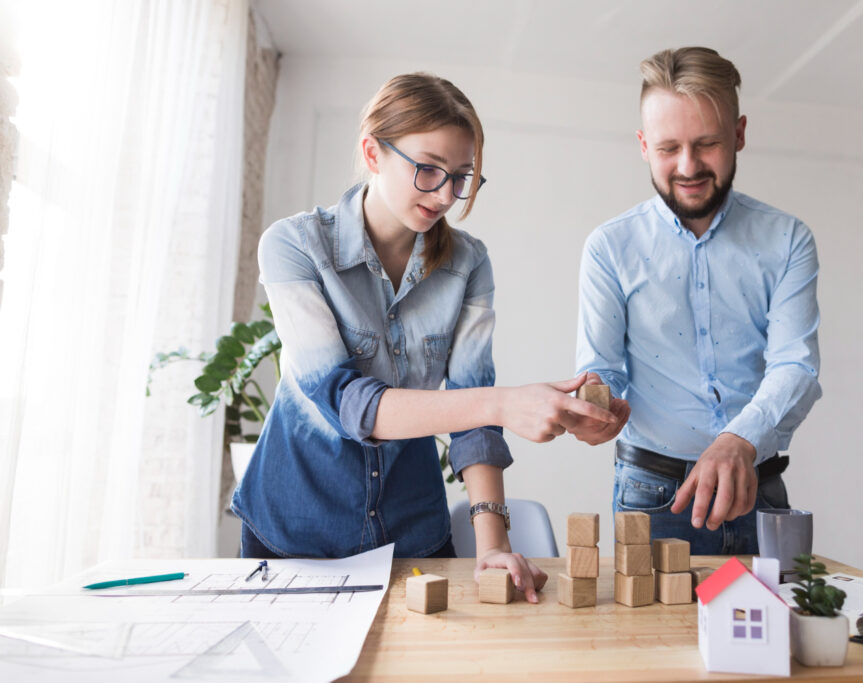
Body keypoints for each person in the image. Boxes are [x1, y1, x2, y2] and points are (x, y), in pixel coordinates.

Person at [232, 73, 619, 602]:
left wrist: (492, 547)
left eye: (461, 177)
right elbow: (346, 402)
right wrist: (504, 404)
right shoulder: (295, 246)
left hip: (411, 530)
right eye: (428, 170)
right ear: (373, 152)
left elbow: (475, 423)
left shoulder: (468, 264)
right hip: (294, 529)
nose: (445, 195)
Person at [573, 47, 822, 554]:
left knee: (770, 631)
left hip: (759, 490)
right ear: (643, 145)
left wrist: (739, 440)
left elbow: (796, 365)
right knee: (650, 635)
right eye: (669, 148)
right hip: (653, 497)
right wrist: (594, 403)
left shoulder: (788, 239)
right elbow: (602, 368)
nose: (688, 167)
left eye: (707, 144)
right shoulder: (609, 246)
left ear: (739, 134)